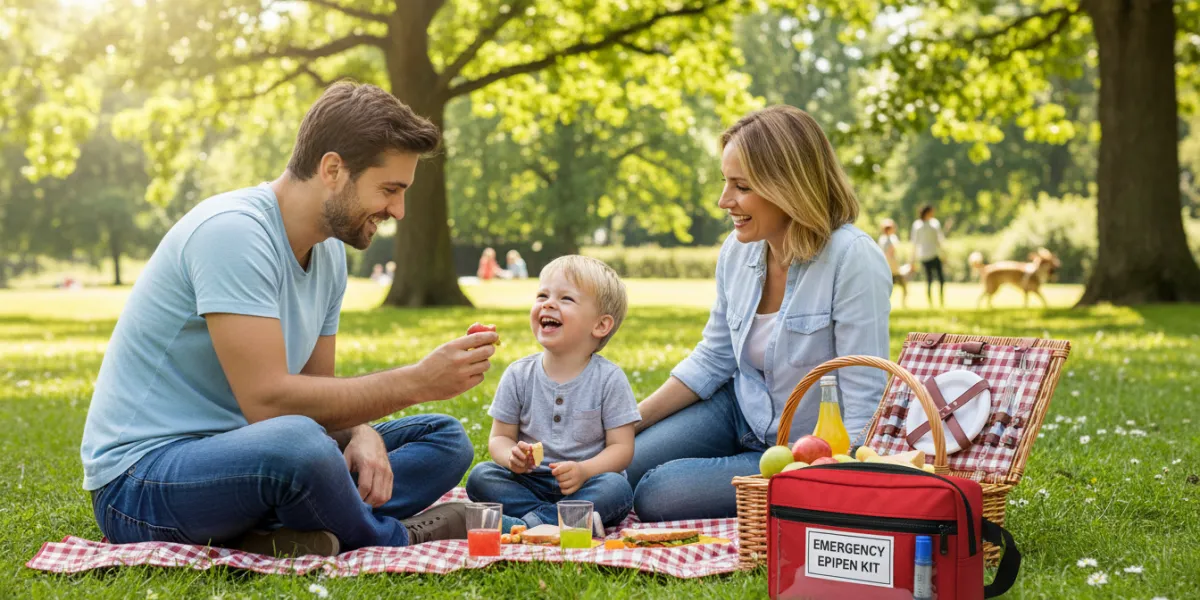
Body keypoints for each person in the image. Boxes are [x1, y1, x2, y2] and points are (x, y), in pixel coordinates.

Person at [80, 82, 499, 557]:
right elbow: (269, 402)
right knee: (300, 447)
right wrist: (417, 381)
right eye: (389, 190)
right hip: (141, 481)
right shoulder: (233, 232)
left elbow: (317, 395)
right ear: (333, 169)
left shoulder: (329, 254)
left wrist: (360, 431)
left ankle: (279, 530)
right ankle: (393, 537)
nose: (398, 211)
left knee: (444, 438)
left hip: (253, 455)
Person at [625, 106, 891, 521]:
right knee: (621, 463)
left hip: (802, 446)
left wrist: (834, 479)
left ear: (789, 187)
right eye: (725, 182)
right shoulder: (738, 250)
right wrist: (628, 425)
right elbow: (713, 358)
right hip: (737, 410)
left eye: (742, 186)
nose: (724, 201)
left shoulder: (853, 258)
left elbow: (864, 400)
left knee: (659, 494)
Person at [466, 255, 639, 534]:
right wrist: (512, 458)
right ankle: (559, 523)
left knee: (616, 488)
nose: (547, 304)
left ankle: (527, 525)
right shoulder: (518, 374)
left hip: (586, 484)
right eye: (542, 295)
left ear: (600, 325)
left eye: (566, 298)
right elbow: (499, 438)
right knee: (481, 476)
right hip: (529, 483)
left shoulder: (609, 379)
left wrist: (584, 471)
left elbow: (622, 449)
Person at [910, 205, 945, 308]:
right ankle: (930, 301)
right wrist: (912, 259)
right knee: (929, 280)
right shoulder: (917, 225)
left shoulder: (935, 223)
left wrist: (943, 254)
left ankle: (941, 299)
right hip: (925, 256)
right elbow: (914, 243)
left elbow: (939, 240)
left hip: (935, 254)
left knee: (941, 279)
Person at [878, 219, 907, 307]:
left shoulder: (889, 238)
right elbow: (889, 253)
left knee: (901, 287)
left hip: (892, 268)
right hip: (891, 269)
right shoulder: (885, 240)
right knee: (898, 287)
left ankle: (902, 304)